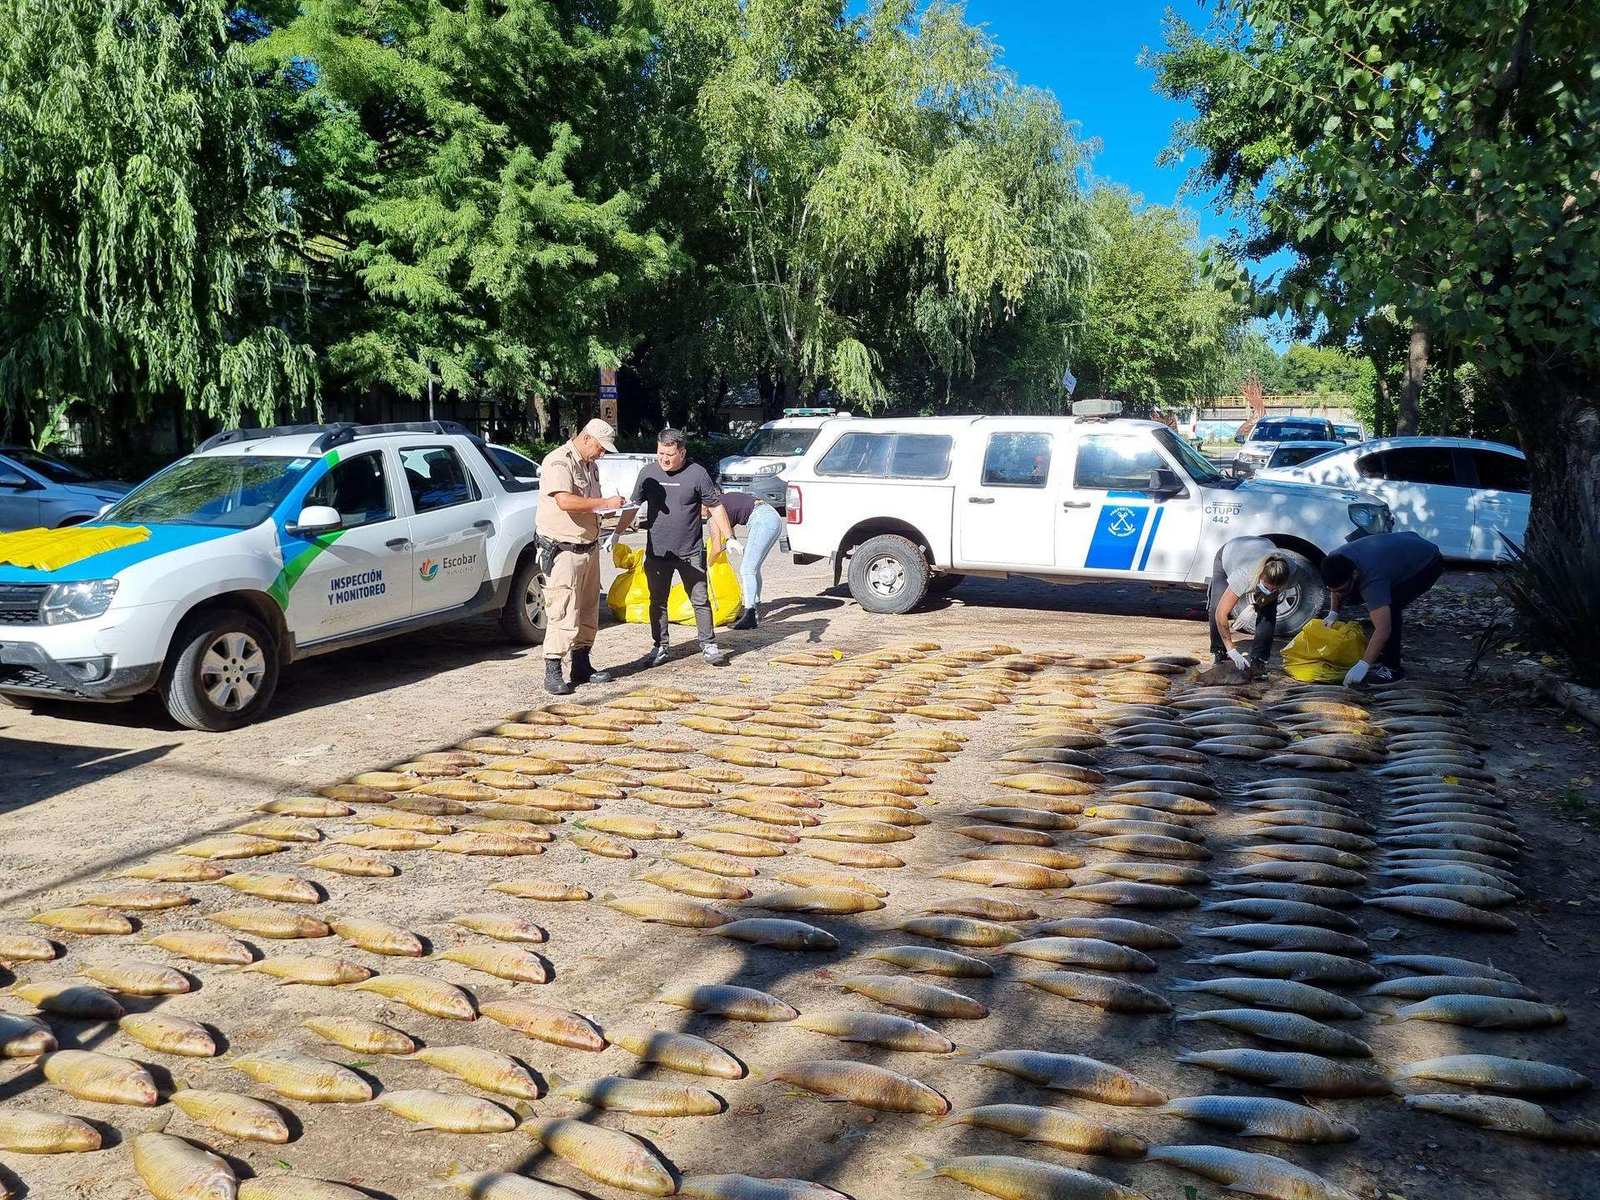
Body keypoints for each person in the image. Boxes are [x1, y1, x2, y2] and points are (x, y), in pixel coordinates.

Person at [535, 418, 625, 695]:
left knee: (587, 609)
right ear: (586, 438)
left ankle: (581, 663)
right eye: (600, 447)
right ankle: (553, 669)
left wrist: (608, 509)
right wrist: (603, 504)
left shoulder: (590, 465)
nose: (602, 453)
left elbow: (590, 504)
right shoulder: (558, 461)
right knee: (562, 609)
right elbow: (566, 501)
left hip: (588, 547)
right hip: (563, 550)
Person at [625, 429, 727, 666]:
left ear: (682, 452)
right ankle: (660, 646)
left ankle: (709, 645)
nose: (664, 459)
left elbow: (715, 507)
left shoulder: (697, 473)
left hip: (690, 551)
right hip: (658, 552)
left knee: (700, 599)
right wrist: (618, 532)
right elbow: (633, 505)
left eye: (669, 454)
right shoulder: (648, 473)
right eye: (660, 453)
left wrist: (729, 537)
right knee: (657, 600)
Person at [1320, 530, 1444, 686]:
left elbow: (1383, 629)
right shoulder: (1333, 559)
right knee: (1370, 603)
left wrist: (1363, 665)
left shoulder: (1373, 579)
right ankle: (1379, 652)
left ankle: (1392, 669)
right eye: (1333, 590)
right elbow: (1336, 588)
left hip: (1427, 561)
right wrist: (1333, 613)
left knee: (1390, 610)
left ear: (1355, 574)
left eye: (1343, 589)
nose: (1338, 594)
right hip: (1398, 549)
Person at [1208, 536, 1293, 675]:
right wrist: (1231, 649)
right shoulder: (1244, 575)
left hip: (1263, 545)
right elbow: (1220, 613)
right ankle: (1220, 652)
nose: (1270, 591)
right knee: (1216, 606)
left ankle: (1259, 660)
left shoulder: (1292, 571)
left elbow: (1269, 595)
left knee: (1268, 613)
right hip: (1230, 552)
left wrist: (1256, 605)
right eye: (1267, 586)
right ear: (1260, 576)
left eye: (1275, 589)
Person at [706, 490, 784, 629]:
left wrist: (707, 564)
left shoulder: (714, 513)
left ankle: (750, 615)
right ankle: (755, 606)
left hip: (762, 520)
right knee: (754, 567)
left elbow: (717, 547)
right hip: (771, 516)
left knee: (747, 569)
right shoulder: (723, 502)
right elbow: (729, 535)